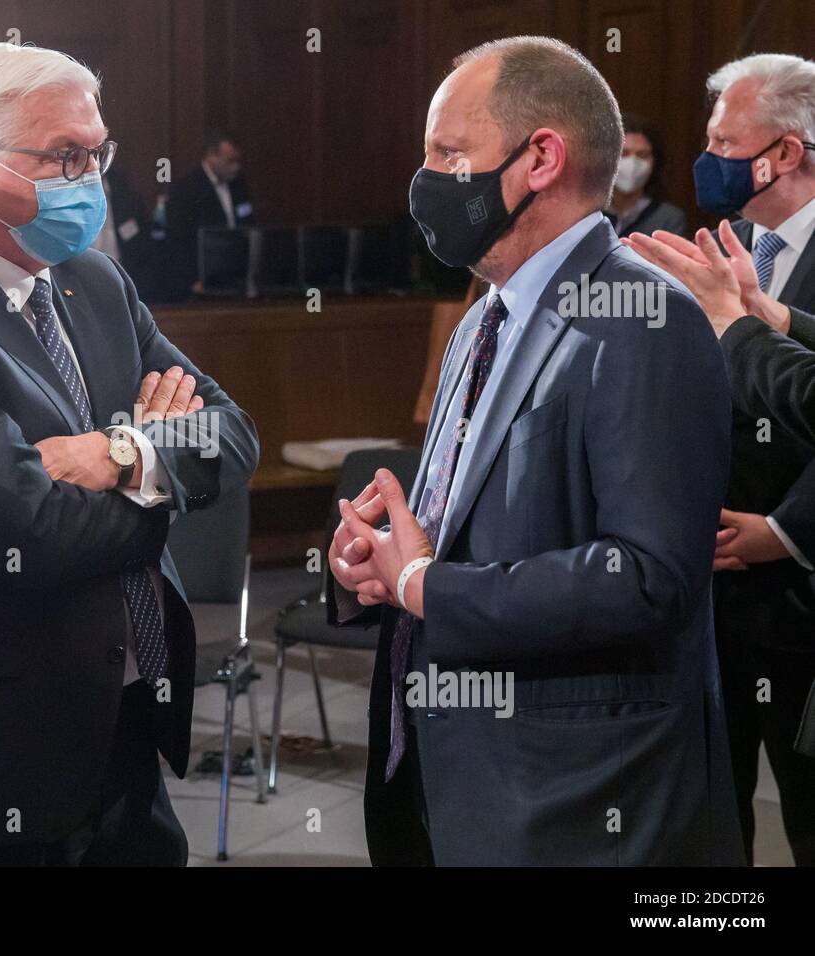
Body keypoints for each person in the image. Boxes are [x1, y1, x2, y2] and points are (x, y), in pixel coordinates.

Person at [0, 42, 258, 866]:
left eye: (97, 153)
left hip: (133, 714)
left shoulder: (93, 280)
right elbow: (34, 534)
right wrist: (161, 492)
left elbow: (233, 433)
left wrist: (121, 453)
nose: (91, 178)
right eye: (65, 156)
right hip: (7, 746)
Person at [328, 36, 742, 866]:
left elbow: (649, 578)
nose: (429, 181)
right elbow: (473, 526)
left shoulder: (642, 317)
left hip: (578, 802)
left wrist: (425, 583)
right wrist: (381, 565)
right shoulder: (484, 314)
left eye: (449, 154)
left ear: (540, 158)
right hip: (448, 773)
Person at [625, 52, 815, 866]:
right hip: (703, 583)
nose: (709, 159)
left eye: (726, 140)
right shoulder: (719, 245)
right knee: (708, 819)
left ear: (786, 153)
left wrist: (785, 529)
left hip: (800, 585)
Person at [165, 131, 255, 294]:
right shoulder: (186, 189)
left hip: (237, 275)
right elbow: (179, 240)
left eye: (238, 160)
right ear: (211, 156)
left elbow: (248, 221)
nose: (236, 167)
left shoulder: (239, 185)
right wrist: (191, 280)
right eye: (230, 161)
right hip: (201, 278)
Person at [604, 113, 686, 238]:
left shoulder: (668, 219)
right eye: (623, 154)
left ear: (655, 162)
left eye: (642, 155)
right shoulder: (586, 213)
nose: (632, 163)